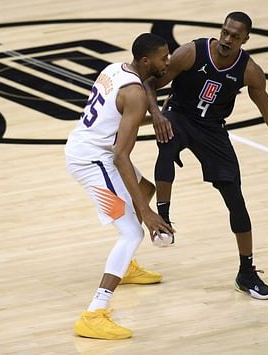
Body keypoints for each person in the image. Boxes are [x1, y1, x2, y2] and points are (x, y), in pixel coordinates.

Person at [144, 12, 268, 300]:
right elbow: (149, 83)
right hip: (179, 115)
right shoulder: (192, 52)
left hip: (212, 130)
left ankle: (246, 272)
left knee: (237, 201)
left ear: (245, 40)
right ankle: (163, 220)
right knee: (166, 146)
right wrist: (157, 114)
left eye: (235, 36)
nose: (227, 39)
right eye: (225, 32)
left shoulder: (249, 71)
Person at [65, 33, 173, 340]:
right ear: (144, 61)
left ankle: (124, 267)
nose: (167, 62)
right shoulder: (136, 94)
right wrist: (148, 213)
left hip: (90, 148)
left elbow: (126, 115)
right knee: (134, 231)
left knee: (145, 188)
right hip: (92, 162)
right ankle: (94, 313)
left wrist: (158, 116)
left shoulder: (116, 69)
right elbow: (121, 155)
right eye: (163, 58)